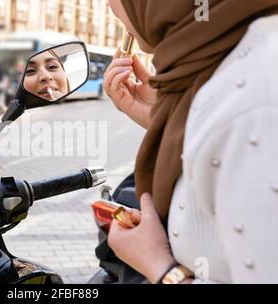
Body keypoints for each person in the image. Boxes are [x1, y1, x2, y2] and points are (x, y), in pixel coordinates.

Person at [104, 0, 278, 284]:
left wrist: (159, 266)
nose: (109, 5)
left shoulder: (258, 96)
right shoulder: (234, 54)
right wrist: (167, 119)